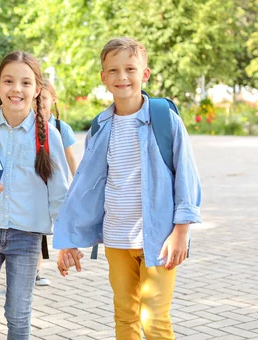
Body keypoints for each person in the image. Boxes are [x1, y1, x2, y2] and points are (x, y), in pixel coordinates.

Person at [54, 37, 202, 340]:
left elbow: (186, 177)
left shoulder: (165, 119)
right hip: (116, 240)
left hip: (159, 239)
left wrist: (181, 233)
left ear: (144, 74)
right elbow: (85, 188)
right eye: (114, 70)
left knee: (155, 319)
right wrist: (69, 239)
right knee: (125, 315)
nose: (122, 77)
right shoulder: (100, 127)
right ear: (104, 77)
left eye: (130, 69)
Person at [0, 51, 69, 339]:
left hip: (27, 237)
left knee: (18, 316)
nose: (16, 89)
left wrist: (69, 242)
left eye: (25, 82)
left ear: (37, 90)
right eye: (8, 81)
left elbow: (60, 195)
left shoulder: (49, 136)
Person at [34, 79, 79, 286]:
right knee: (37, 229)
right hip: (35, 187)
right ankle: (35, 270)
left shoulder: (61, 128)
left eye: (43, 98)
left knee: (47, 228)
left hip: (56, 187)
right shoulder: (28, 125)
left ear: (53, 100)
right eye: (37, 98)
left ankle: (37, 267)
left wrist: (79, 187)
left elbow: (71, 160)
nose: (39, 102)